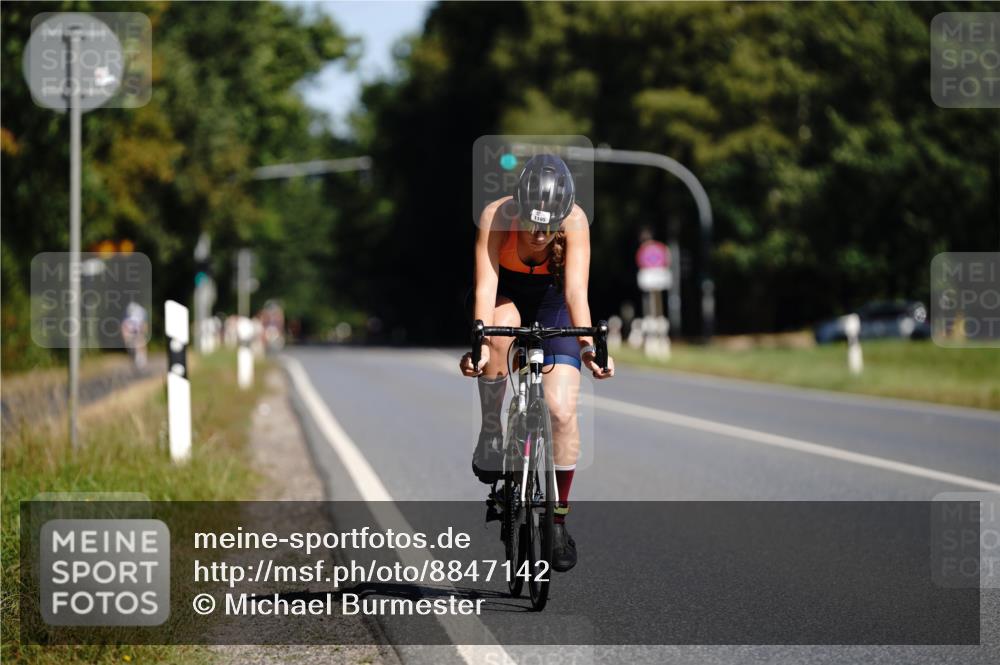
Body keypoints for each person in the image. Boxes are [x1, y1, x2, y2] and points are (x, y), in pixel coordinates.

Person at [459, 154, 615, 572]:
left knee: (562, 410)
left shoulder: (576, 221)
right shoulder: (496, 216)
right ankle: (491, 432)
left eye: (548, 227)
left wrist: (589, 349)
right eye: (532, 224)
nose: (539, 234)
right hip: (504, 297)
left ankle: (557, 521)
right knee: (498, 332)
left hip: (553, 304)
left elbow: (576, 293)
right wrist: (479, 346)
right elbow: (486, 287)